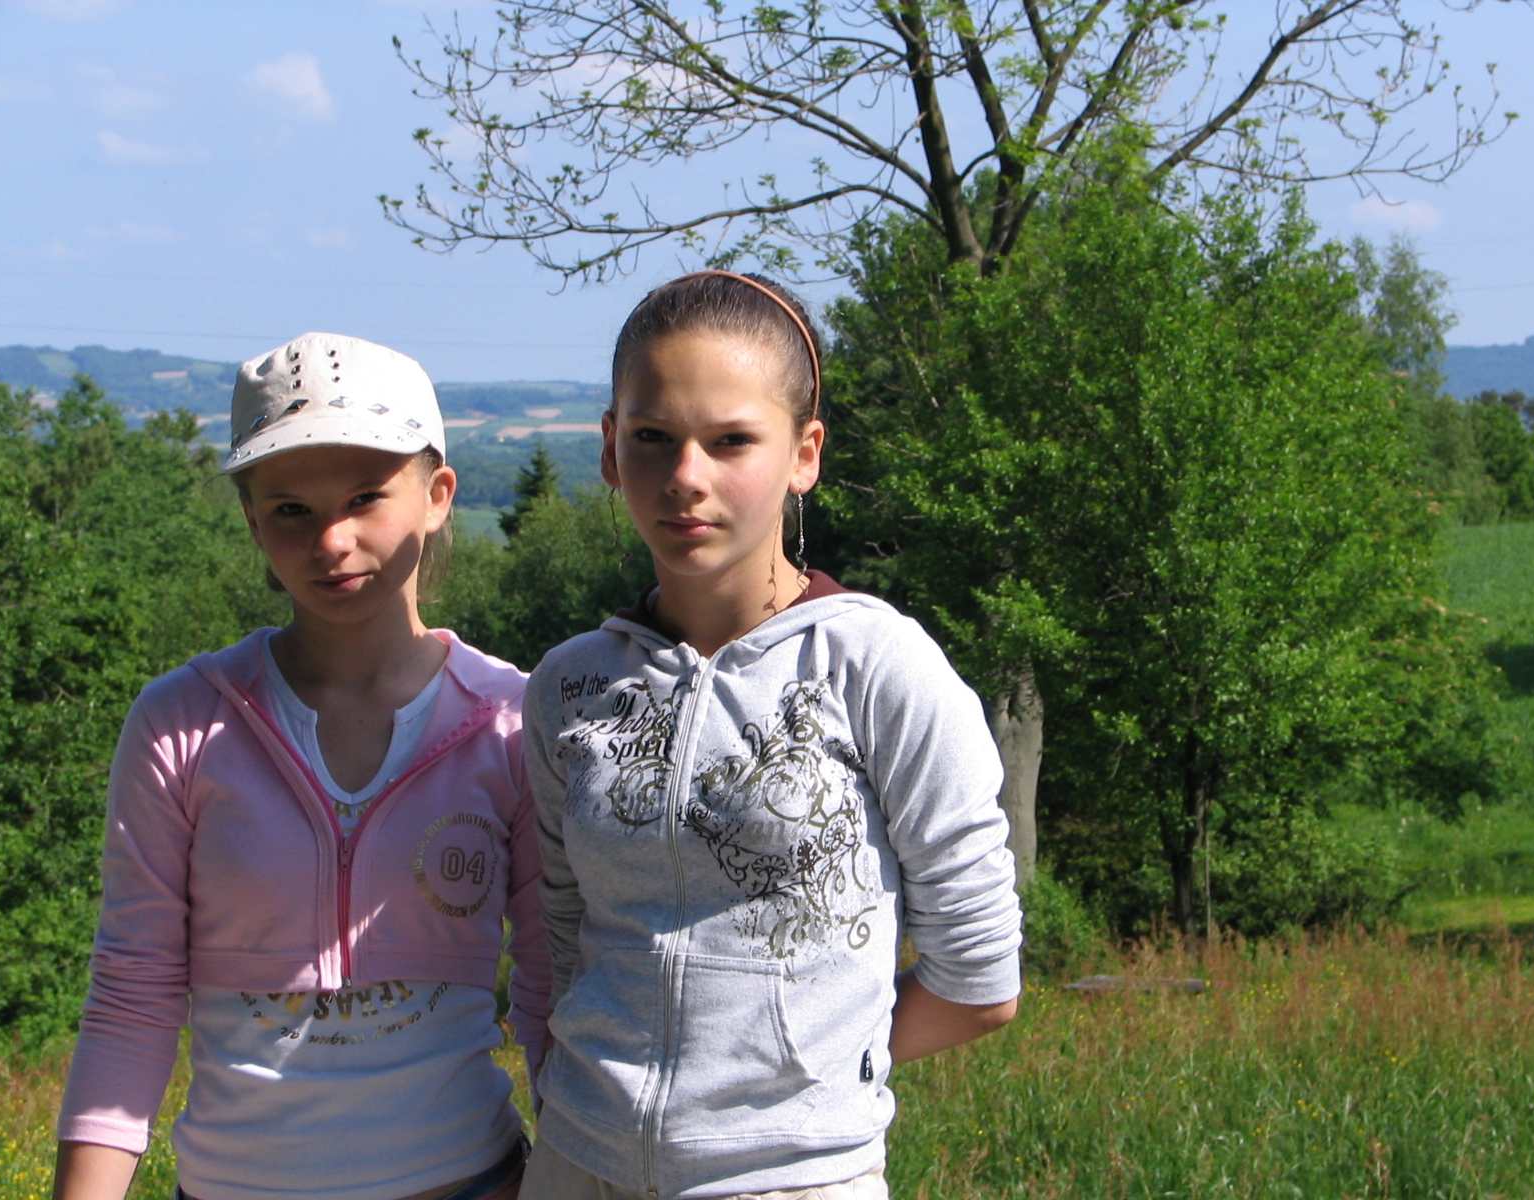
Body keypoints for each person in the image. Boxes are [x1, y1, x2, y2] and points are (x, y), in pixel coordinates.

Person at [518, 272, 1023, 1200]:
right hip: (576, 1163)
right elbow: (560, 936)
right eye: (652, 438)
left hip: (792, 1179)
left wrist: (814, 1081)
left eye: (731, 440)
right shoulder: (568, 686)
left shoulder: (876, 667)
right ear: (610, 448)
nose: (686, 477)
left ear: (805, 454)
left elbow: (980, 979)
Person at [54, 333, 546, 1200]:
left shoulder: (511, 723)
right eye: (290, 510)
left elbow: (552, 985)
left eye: (365, 498)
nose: (332, 540)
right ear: (252, 521)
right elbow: (133, 996)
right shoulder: (181, 725)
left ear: (438, 496)